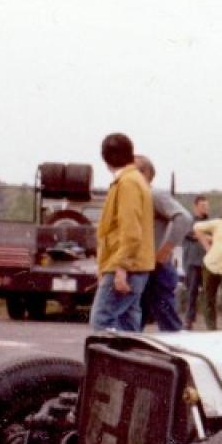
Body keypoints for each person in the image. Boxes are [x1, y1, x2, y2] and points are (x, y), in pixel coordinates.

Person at [91, 133, 154, 331]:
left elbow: (131, 231)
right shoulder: (135, 180)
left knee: (102, 320)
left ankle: (106, 355)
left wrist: (120, 267)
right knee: (128, 326)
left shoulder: (127, 183)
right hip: (135, 265)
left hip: (125, 266)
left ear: (105, 158)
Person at [133, 155, 192, 331]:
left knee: (168, 322)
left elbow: (184, 218)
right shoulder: (136, 198)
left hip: (156, 269)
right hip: (141, 267)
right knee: (135, 320)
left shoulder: (154, 195)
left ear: (146, 173)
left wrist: (165, 250)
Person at [179, 195, 210, 328]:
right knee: (192, 292)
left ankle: (210, 320)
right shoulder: (189, 221)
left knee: (209, 292)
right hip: (192, 262)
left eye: (207, 206)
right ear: (195, 206)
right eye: (202, 206)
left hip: (207, 263)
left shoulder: (210, 223)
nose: (205, 208)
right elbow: (194, 234)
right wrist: (208, 237)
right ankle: (189, 320)